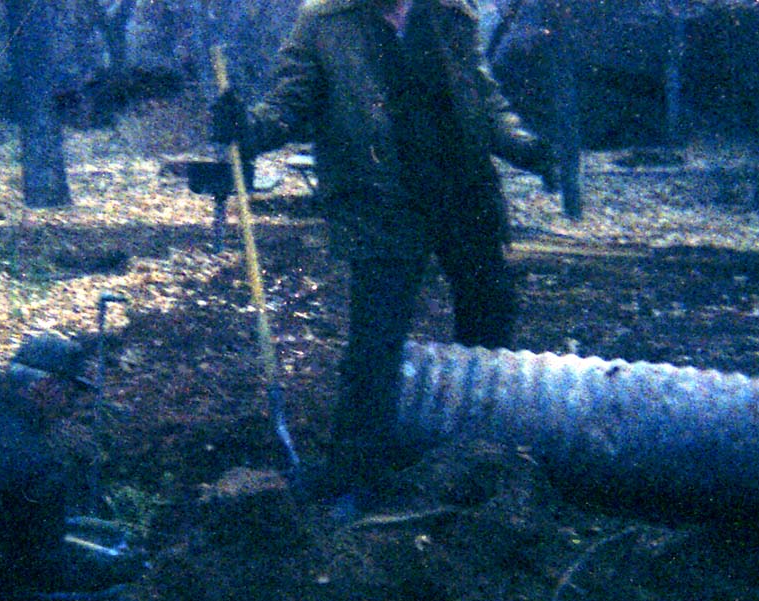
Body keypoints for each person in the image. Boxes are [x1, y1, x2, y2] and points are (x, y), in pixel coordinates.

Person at [211, 0, 554, 513]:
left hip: (466, 196)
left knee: (489, 325)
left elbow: (484, 101)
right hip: (380, 203)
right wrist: (247, 128)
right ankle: (356, 473)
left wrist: (528, 148)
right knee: (376, 341)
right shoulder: (325, 22)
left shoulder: (452, 15)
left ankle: (479, 461)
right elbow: (289, 104)